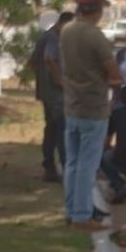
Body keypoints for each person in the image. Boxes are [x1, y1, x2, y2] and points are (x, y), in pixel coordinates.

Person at [60, 0, 124, 231]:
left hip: (72, 106)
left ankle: (71, 211)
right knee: (87, 166)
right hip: (94, 109)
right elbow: (115, 75)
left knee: (72, 164)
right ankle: (81, 216)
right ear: (97, 9)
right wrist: (114, 82)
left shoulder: (66, 31)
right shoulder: (95, 37)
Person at [30, 12, 74, 183]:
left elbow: (33, 62)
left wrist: (42, 79)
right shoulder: (53, 38)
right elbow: (49, 58)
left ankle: (49, 167)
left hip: (46, 93)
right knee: (61, 130)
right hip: (55, 95)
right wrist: (58, 80)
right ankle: (64, 167)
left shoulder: (45, 37)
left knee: (51, 129)